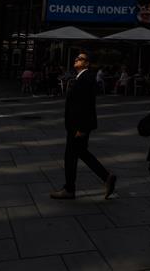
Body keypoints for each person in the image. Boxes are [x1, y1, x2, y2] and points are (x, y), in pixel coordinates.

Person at [50, 52, 117, 200]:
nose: (76, 59)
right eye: (76, 57)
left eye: (80, 58)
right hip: (77, 124)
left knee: (70, 156)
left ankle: (69, 189)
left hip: (78, 125)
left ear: (86, 63)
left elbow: (86, 105)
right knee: (81, 153)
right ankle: (107, 177)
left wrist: (82, 128)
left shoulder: (86, 78)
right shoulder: (82, 77)